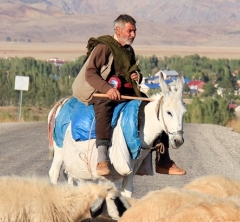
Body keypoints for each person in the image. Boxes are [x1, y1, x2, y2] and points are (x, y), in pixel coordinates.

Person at [72, 14, 186, 177]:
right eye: (130, 31)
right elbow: (90, 73)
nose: (133, 35)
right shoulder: (103, 47)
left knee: (157, 109)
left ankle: (163, 160)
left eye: (134, 31)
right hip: (101, 92)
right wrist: (107, 90)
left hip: (124, 92)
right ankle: (102, 158)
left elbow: (131, 70)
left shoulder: (127, 50)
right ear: (118, 30)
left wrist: (137, 76)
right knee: (104, 110)